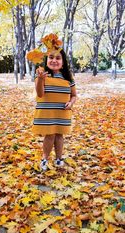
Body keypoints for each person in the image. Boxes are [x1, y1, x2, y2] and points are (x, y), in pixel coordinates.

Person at [27, 33, 77, 171]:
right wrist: (41, 79)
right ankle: (44, 159)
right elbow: (40, 93)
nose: (54, 60)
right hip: (47, 112)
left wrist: (71, 103)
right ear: (46, 59)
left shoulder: (68, 78)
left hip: (62, 112)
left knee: (59, 136)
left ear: (63, 62)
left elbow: (74, 95)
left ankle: (59, 159)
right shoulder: (42, 75)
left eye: (58, 58)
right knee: (49, 136)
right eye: (51, 57)